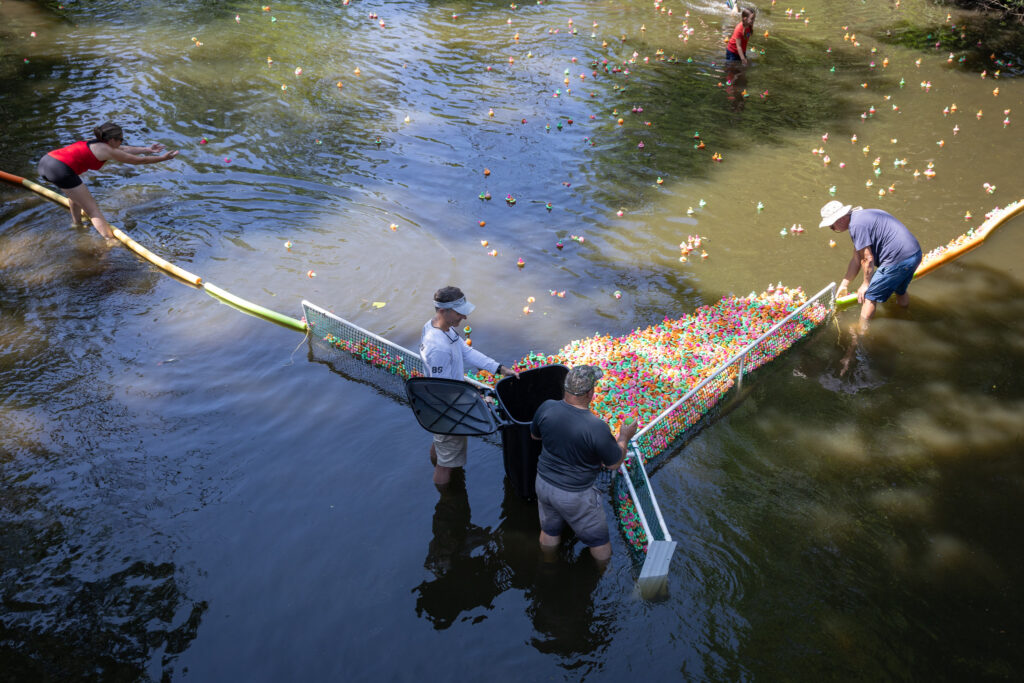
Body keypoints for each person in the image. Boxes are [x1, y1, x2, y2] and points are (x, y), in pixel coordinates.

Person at [529, 365, 638, 563]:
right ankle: (603, 571)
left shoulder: (547, 407)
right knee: (599, 541)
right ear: (590, 393)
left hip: (543, 483)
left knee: (549, 530)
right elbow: (614, 464)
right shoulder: (596, 427)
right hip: (575, 494)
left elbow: (534, 436)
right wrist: (624, 436)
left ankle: (547, 565)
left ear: (565, 387)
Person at [420, 286, 518, 487]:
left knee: (441, 443)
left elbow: (466, 351)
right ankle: (447, 497)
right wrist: (477, 399)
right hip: (447, 409)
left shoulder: (438, 327)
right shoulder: (437, 347)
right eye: (459, 313)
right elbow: (443, 390)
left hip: (445, 402)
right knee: (446, 462)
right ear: (443, 311)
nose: (464, 317)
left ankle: (437, 464)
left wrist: (499, 369)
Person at [37, 122, 179, 241]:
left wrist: (148, 149)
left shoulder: (96, 142)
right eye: (121, 139)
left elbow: (125, 149)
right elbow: (139, 161)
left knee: (74, 196)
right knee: (92, 209)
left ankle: (77, 224)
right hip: (59, 169)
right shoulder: (108, 150)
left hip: (46, 162)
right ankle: (109, 241)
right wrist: (163, 158)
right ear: (112, 140)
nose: (122, 142)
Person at [819, 200, 922, 331]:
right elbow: (857, 258)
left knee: (869, 296)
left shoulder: (856, 226)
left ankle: (862, 331)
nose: (832, 229)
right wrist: (844, 285)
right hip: (914, 254)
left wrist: (866, 284)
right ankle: (904, 316)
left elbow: (867, 258)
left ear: (840, 219)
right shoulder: (863, 217)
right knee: (900, 290)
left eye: (831, 226)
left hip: (898, 260)